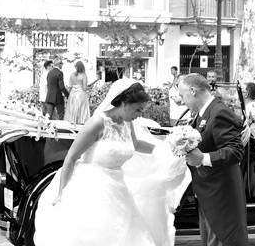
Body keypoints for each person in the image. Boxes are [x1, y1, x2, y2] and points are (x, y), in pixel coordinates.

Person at [33, 79, 168, 246]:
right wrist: (62, 192)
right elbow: (71, 157)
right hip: (92, 186)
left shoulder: (127, 123)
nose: (139, 114)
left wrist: (166, 149)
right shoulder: (98, 122)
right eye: (137, 109)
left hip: (118, 186)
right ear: (124, 103)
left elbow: (136, 145)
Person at [177, 73, 247, 246]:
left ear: (192, 91)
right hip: (208, 192)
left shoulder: (219, 111)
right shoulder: (203, 113)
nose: (181, 100)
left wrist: (203, 158)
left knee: (221, 240)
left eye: (182, 95)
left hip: (221, 194)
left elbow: (236, 151)